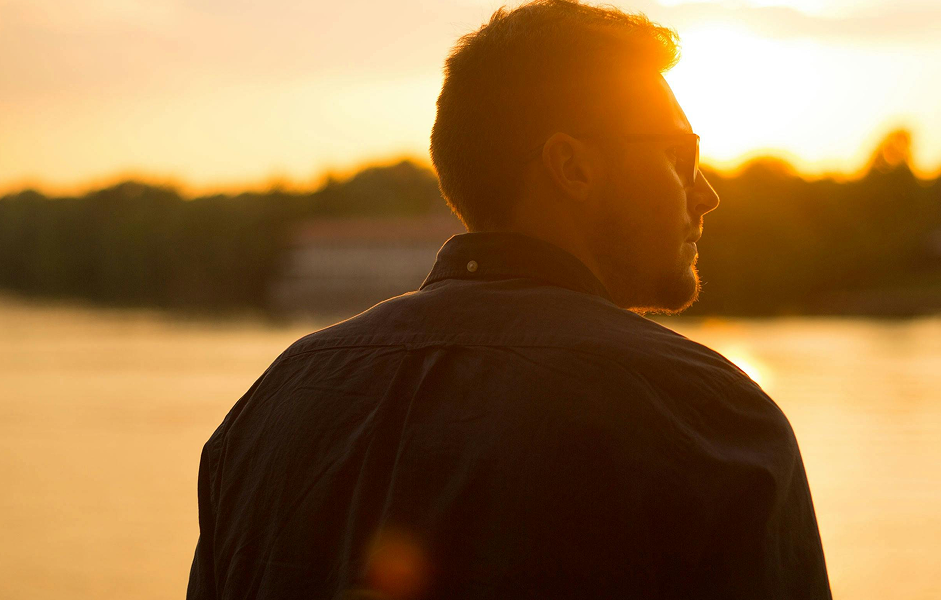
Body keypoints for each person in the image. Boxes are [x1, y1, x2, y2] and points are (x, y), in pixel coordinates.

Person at [186, 1, 833, 598]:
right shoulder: (708, 420)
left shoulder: (269, 411)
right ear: (573, 167)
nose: (705, 194)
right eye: (677, 155)